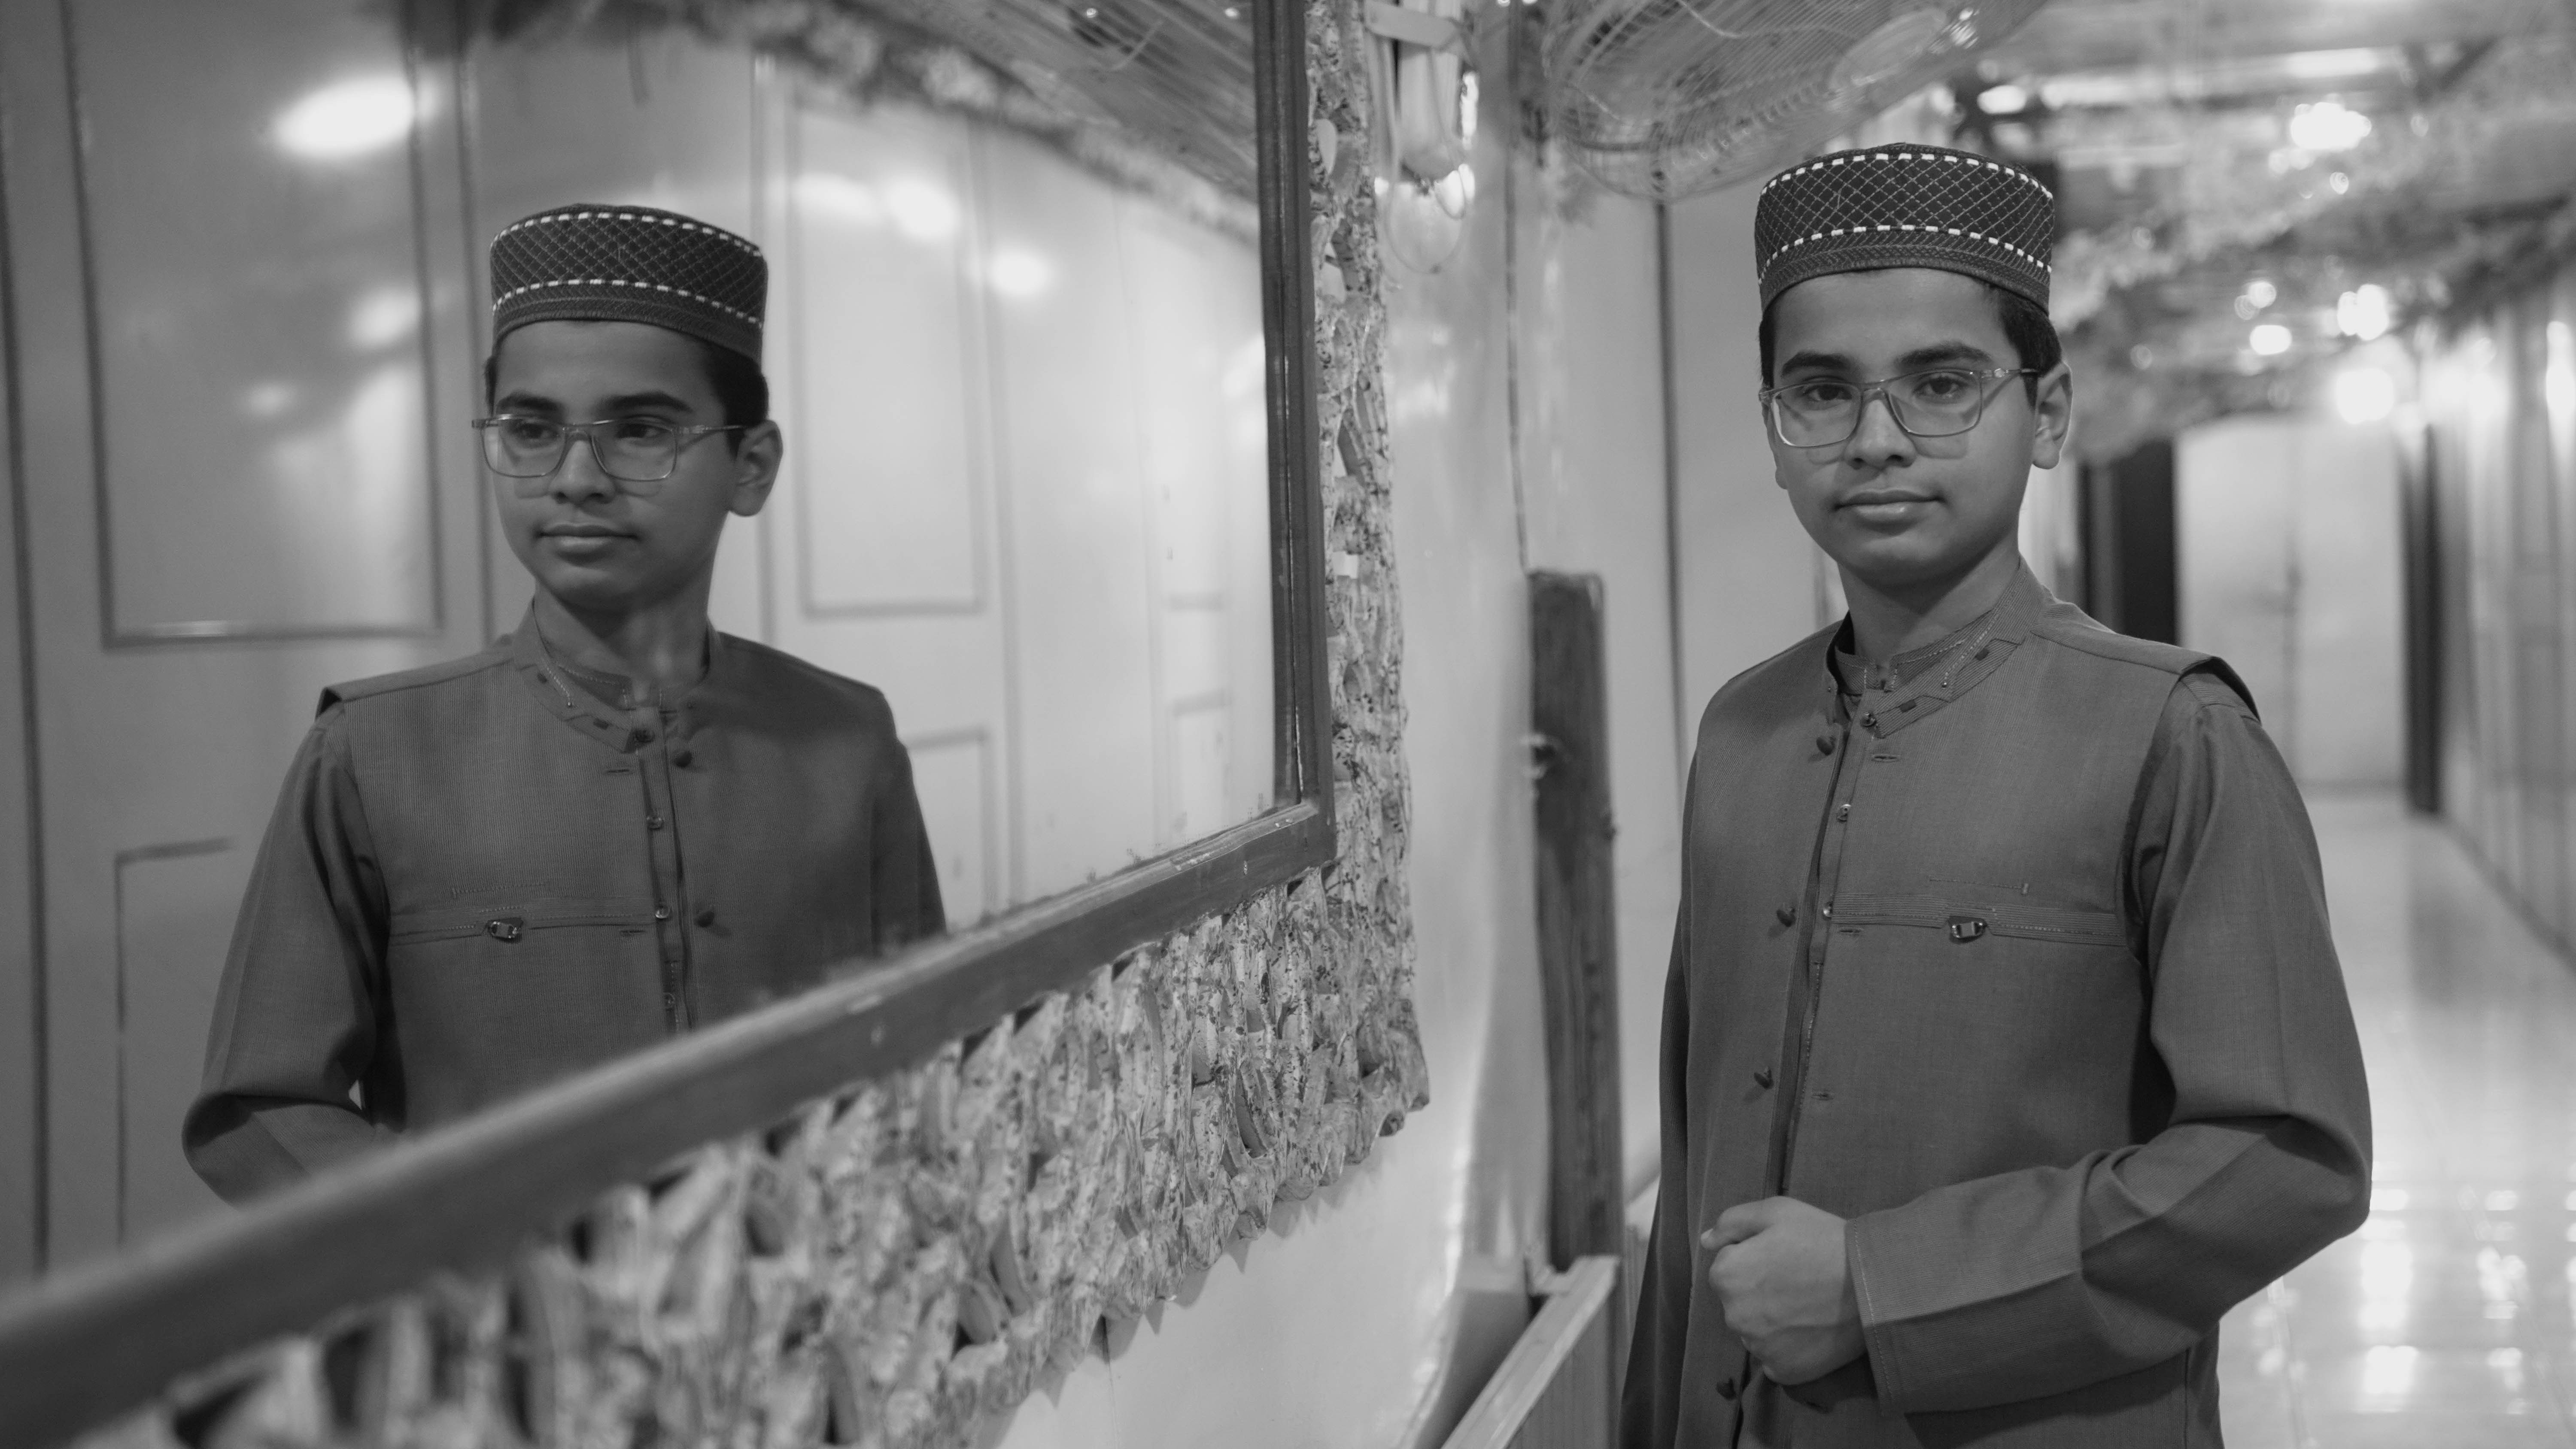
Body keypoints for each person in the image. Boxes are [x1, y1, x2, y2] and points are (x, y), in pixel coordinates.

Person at [1622, 145, 2372, 1447]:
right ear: (1773, 426)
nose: (1876, 440)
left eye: (1943, 384)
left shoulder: (2173, 736)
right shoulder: (1742, 735)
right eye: (1822, 391)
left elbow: (2285, 1160)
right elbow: (1699, 1169)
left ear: (2053, 413)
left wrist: (1881, 1289)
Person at [185, 204, 945, 1201]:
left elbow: (932, 1049)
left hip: (803, 1320)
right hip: (506, 1335)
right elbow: (261, 1104)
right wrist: (473, 1258)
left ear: (750, 465)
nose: (575, 479)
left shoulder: (846, 742)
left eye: (640, 431)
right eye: (532, 429)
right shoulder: (373, 753)